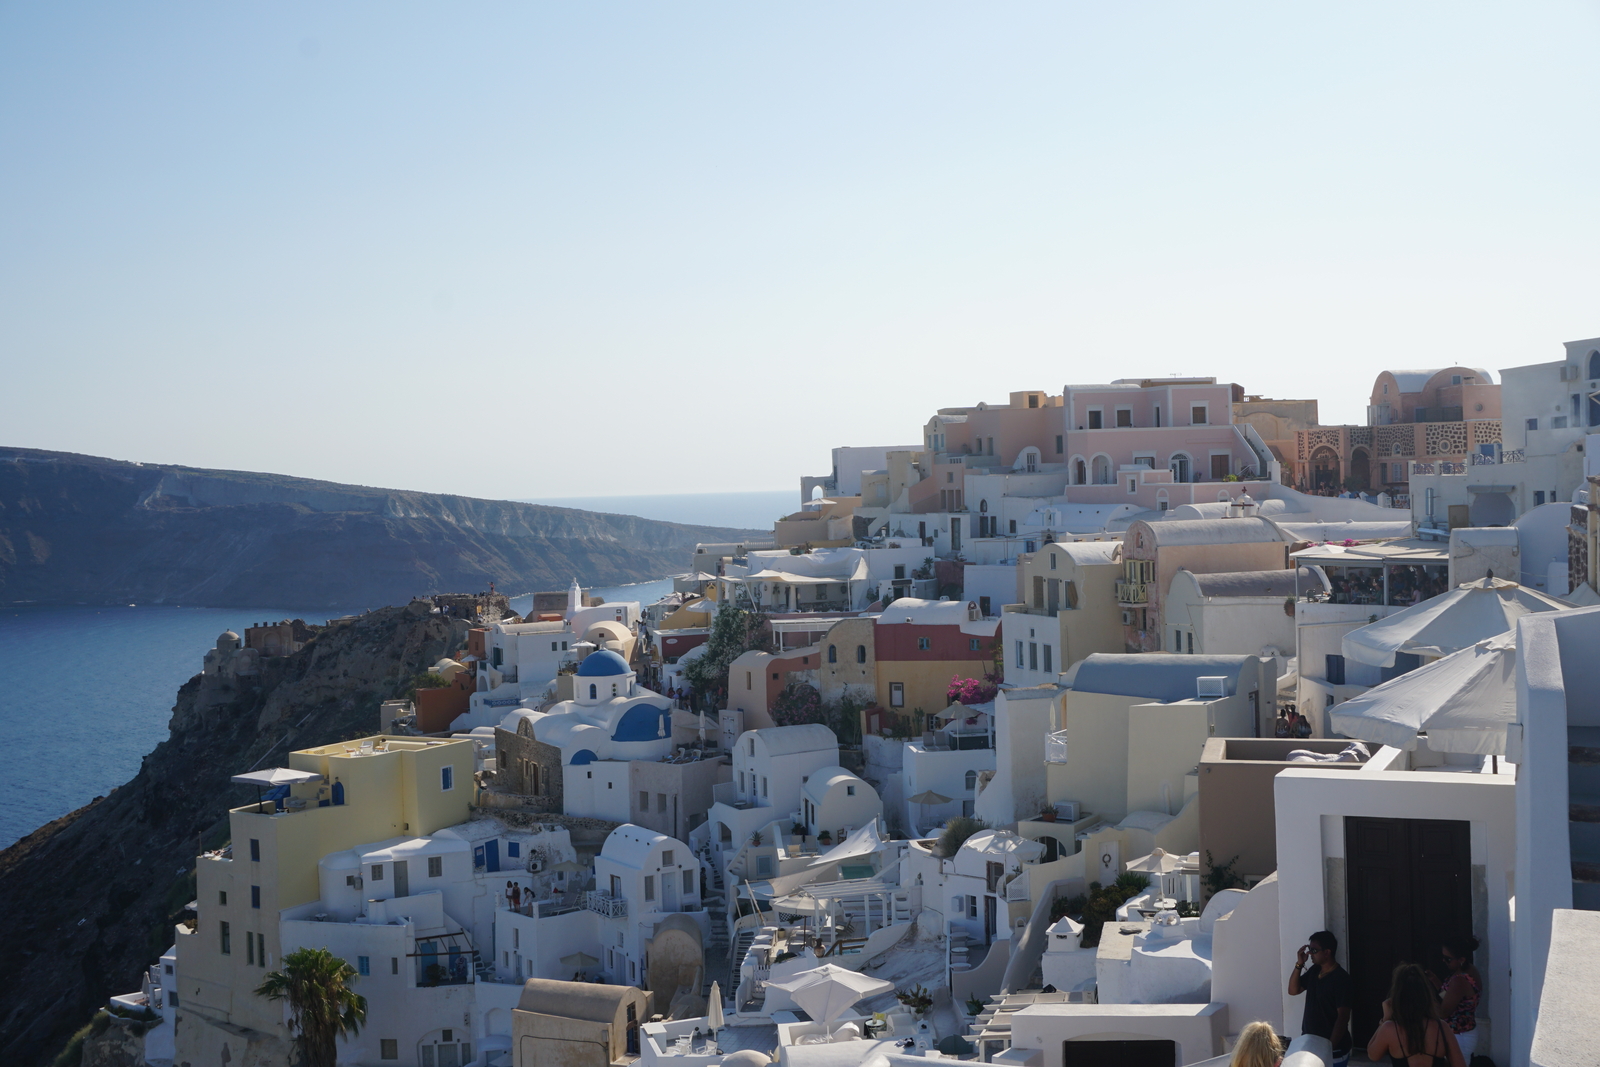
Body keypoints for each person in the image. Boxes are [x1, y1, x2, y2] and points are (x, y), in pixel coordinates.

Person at [1367, 963, 1465, 1067]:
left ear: (1397, 996)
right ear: (1426, 995)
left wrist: (1385, 1020)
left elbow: (1372, 1055)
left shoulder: (1390, 1029)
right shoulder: (1441, 1027)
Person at [1288, 930, 1352, 1065]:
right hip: (1311, 1045)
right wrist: (1299, 964)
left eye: (1314, 950)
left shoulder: (1341, 979)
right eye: (1309, 949)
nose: (1310, 953)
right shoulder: (1315, 971)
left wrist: (1329, 1047)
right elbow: (1293, 990)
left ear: (1327, 952)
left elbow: (1343, 1017)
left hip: (1333, 1050)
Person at [1426, 935, 1482, 1061]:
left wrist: (1425, 999)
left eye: (1448, 959)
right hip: (1463, 1032)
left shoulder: (1459, 980)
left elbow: (1443, 1012)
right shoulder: (1470, 970)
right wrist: (1435, 981)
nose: (1444, 961)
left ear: (1461, 959)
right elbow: (1452, 998)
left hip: (1459, 1036)